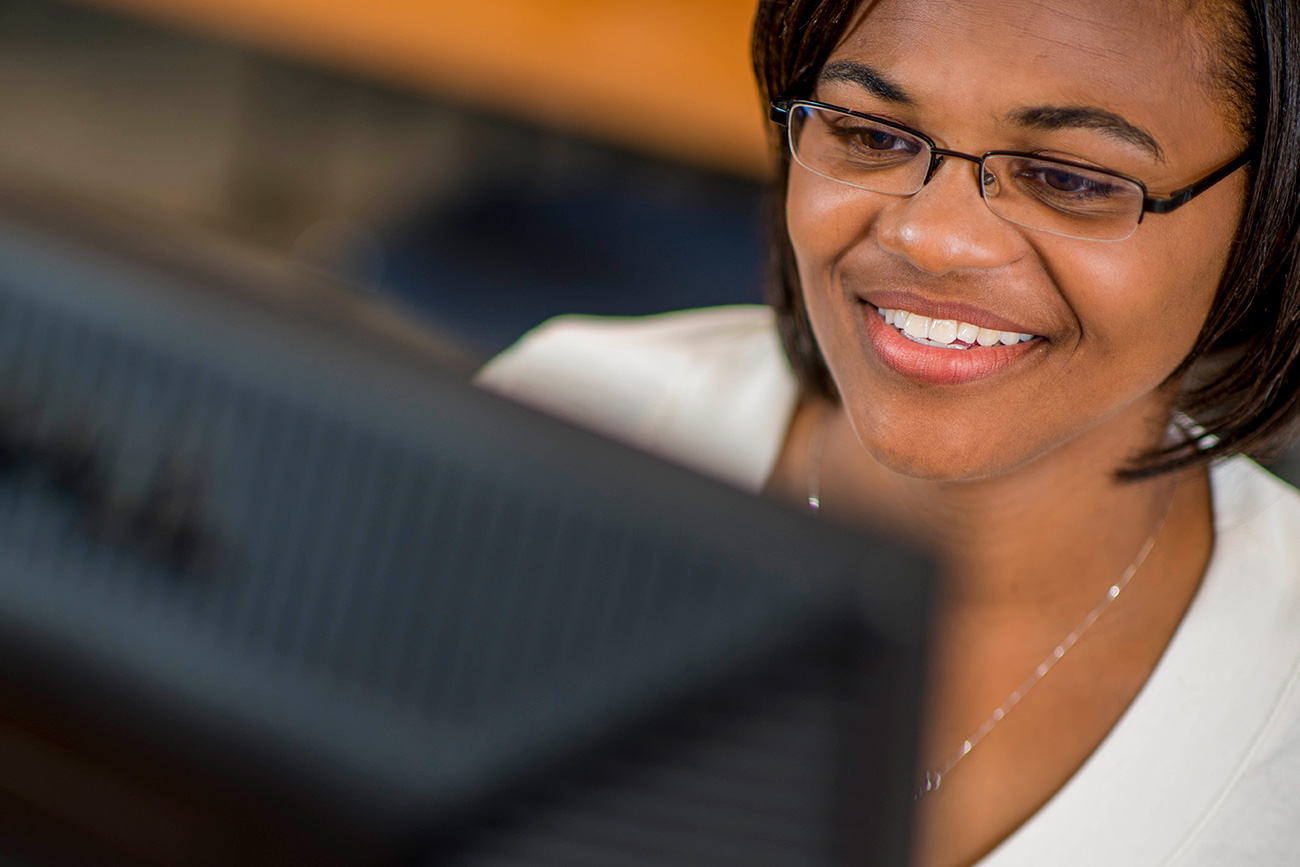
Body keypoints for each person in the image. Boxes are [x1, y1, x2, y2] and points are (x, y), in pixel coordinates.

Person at [478, 0, 1300, 864]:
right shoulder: (560, 427)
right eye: (870, 134)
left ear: (1269, 214)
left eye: (1072, 179)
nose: (932, 237)